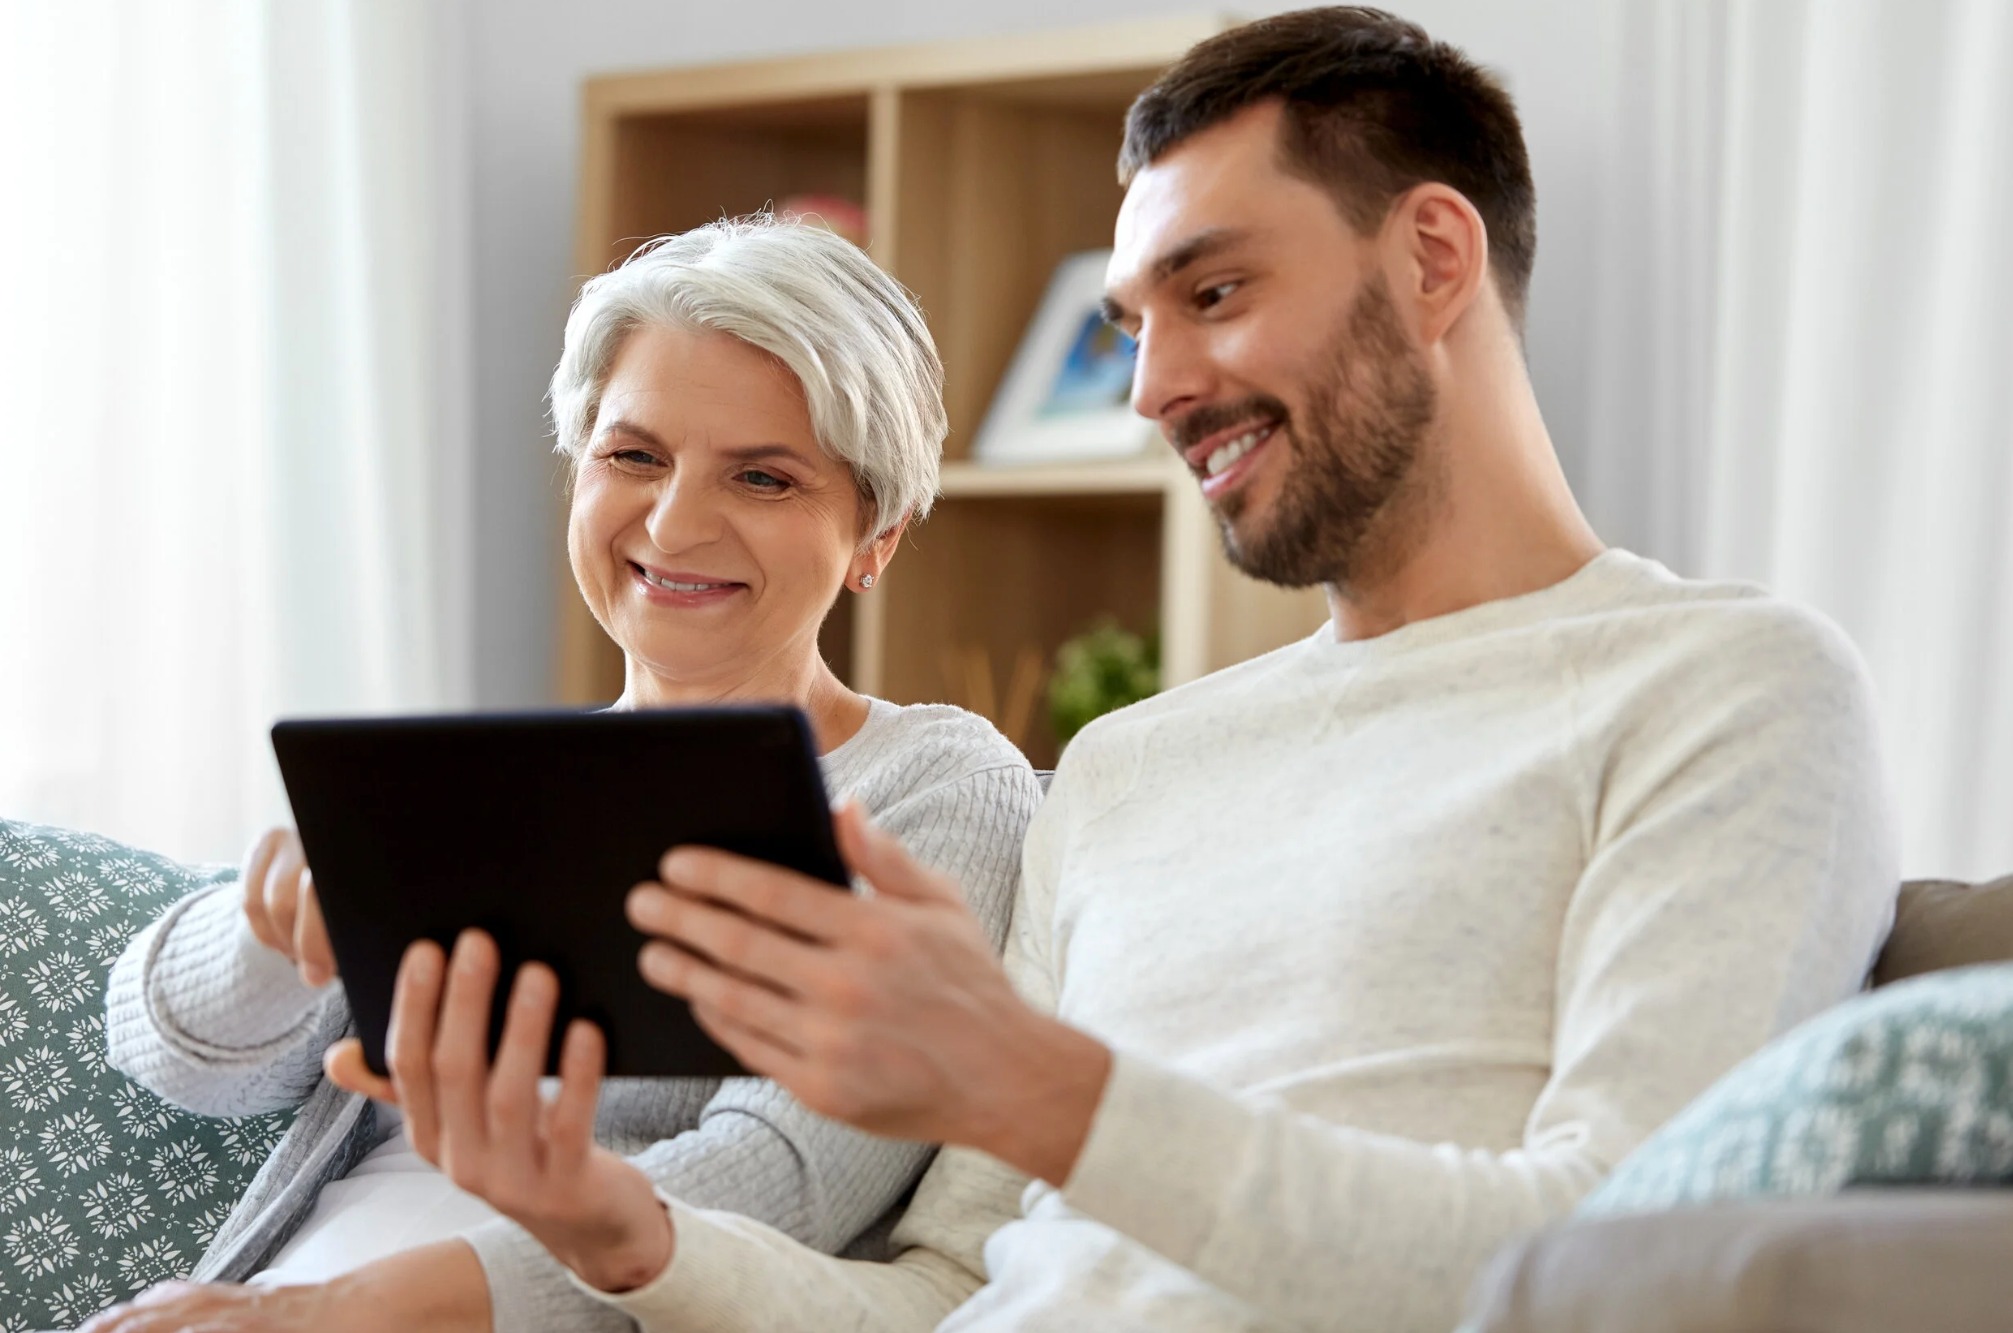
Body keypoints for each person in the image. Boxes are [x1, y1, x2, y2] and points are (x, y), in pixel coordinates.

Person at [308, 9, 1904, 1333]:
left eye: (1213, 293)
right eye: (1132, 322)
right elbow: (950, 1286)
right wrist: (621, 1234)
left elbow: (1622, 1260)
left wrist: (1029, 1081)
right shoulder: (1132, 766)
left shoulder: (1723, 688)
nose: (1150, 388)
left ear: (1430, 260)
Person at [88, 217, 1042, 1332]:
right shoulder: (485, 777)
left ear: (875, 535)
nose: (676, 522)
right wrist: (272, 928)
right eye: (634, 455)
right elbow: (176, 1064)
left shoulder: (935, 784)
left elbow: (790, 1179)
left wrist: (333, 1312)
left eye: (765, 478)